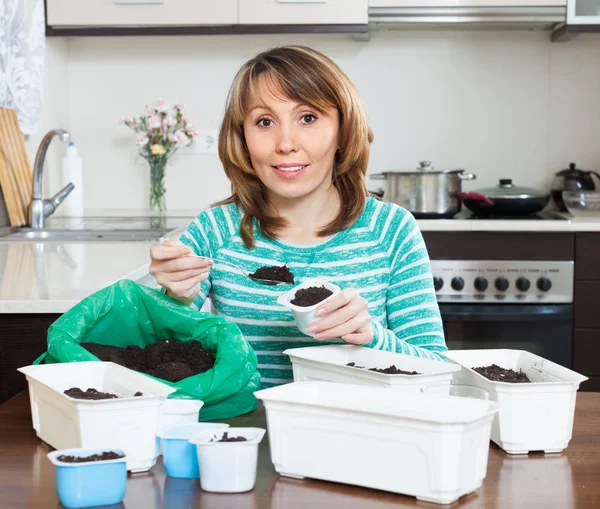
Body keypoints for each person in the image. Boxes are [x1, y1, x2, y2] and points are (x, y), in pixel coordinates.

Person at [150, 45, 446, 388]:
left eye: (308, 118)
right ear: (243, 138)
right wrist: (176, 297)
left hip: (362, 430)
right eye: (264, 121)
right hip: (248, 429)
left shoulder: (391, 230)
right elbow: (161, 354)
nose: (286, 144)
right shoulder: (215, 230)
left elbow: (438, 371)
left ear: (343, 130)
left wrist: (371, 338)